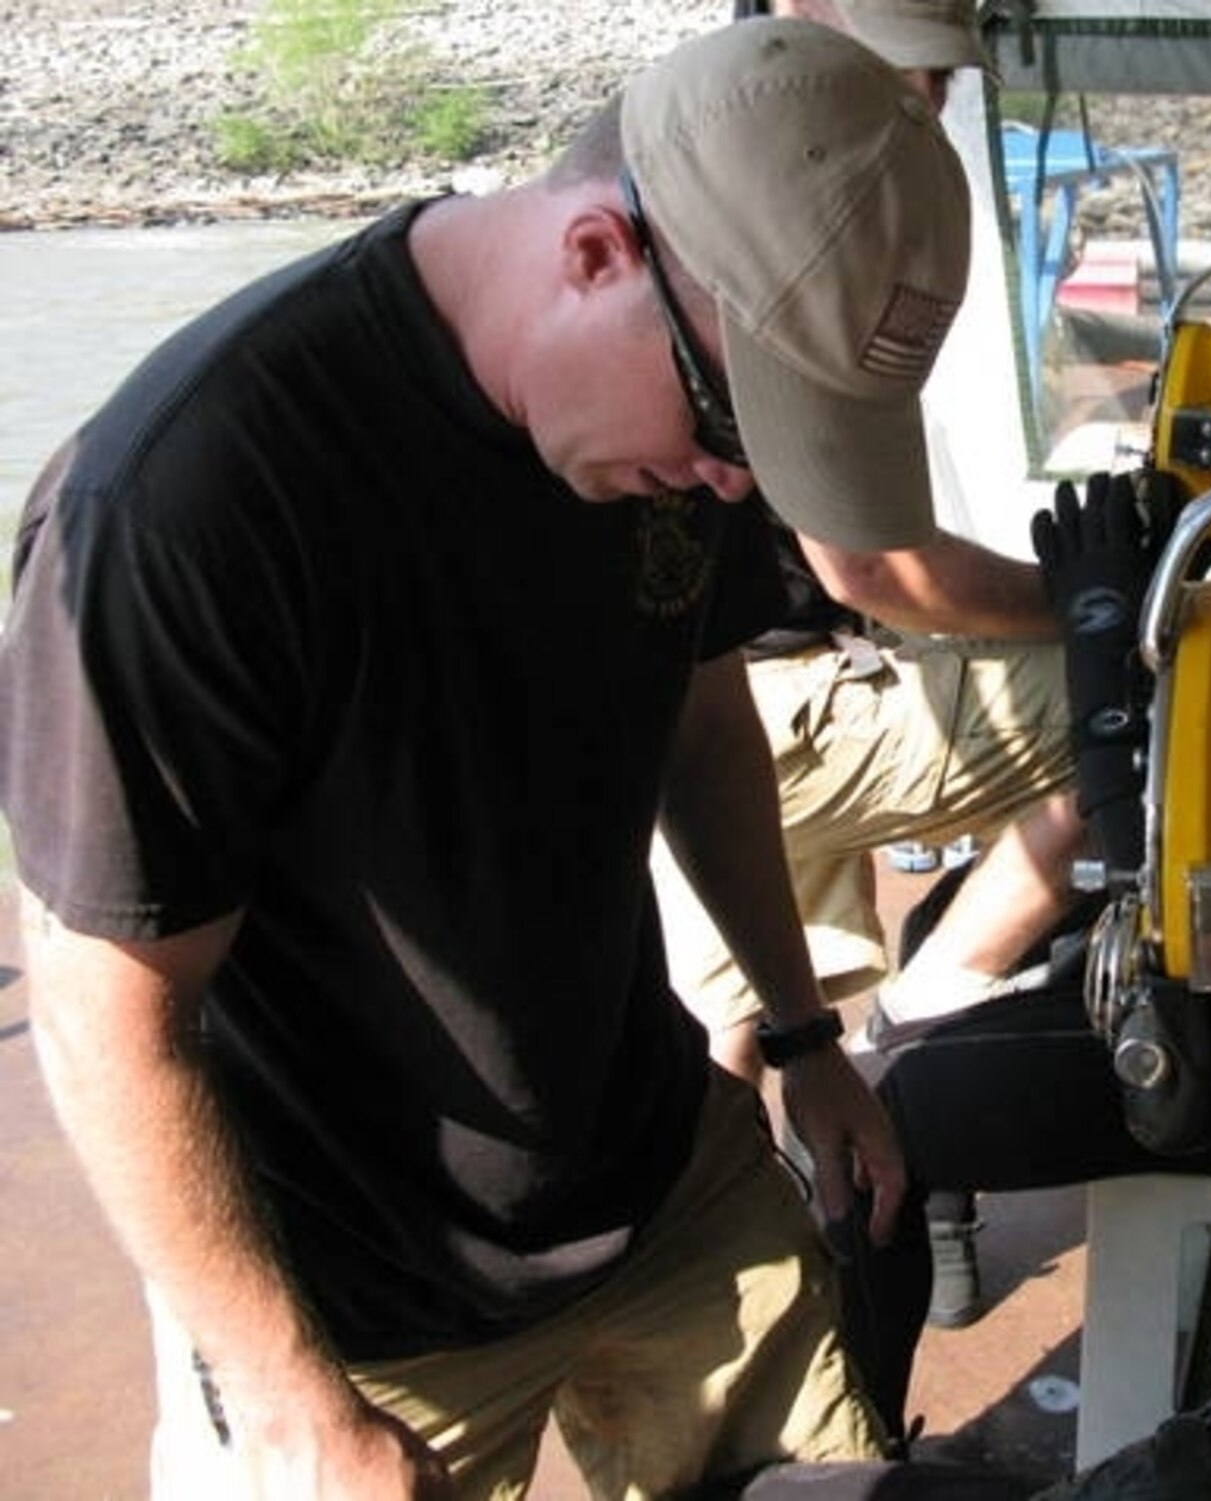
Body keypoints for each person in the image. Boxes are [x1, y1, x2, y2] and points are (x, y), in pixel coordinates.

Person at [0, 19, 970, 1498]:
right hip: (352, 1307)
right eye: (733, 429)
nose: (733, 484)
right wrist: (286, 1402)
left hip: (659, 1174)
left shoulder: (682, 417)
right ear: (596, 253)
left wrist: (800, 1033)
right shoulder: (188, 507)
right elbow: (105, 1006)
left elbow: (705, 732)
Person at [653, 0, 1091, 1089]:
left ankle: (814, 1223)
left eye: (939, 87)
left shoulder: (690, 148)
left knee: (737, 1032)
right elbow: (876, 571)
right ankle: (928, 1010)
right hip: (776, 706)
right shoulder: (793, 203)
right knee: (1149, 703)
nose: (926, 113)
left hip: (691, 695)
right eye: (913, 81)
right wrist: (1087, 600)